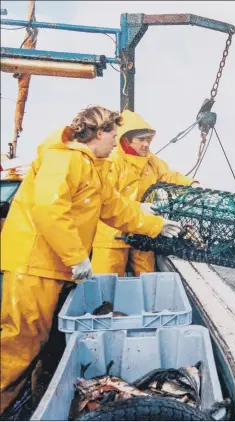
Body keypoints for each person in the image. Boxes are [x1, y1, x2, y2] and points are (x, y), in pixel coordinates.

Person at [0, 106, 182, 414]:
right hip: (32, 266)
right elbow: (48, 209)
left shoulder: (93, 165)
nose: (115, 142)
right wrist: (76, 257)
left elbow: (114, 208)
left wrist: (155, 224)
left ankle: (18, 400)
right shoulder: (64, 158)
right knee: (21, 342)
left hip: (50, 266)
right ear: (99, 133)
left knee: (37, 341)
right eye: (113, 135)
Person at [91, 110, 199, 276]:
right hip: (112, 236)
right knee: (105, 283)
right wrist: (138, 207)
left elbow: (168, 176)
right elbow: (107, 198)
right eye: (141, 140)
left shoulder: (151, 160)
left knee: (148, 279)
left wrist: (192, 184)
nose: (146, 144)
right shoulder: (112, 161)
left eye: (148, 140)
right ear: (126, 139)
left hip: (145, 232)